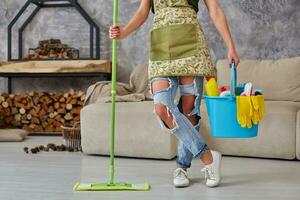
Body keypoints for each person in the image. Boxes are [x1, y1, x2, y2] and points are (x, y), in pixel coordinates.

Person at [109, 0, 239, 188]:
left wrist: (231, 46)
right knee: (162, 108)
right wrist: (124, 32)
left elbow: (215, 10)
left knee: (189, 112)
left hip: (191, 46)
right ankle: (208, 157)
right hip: (161, 46)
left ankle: (182, 167)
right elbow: (143, 11)